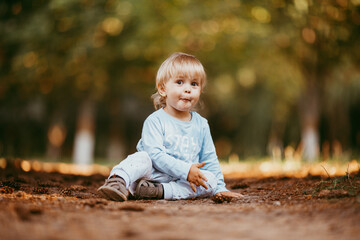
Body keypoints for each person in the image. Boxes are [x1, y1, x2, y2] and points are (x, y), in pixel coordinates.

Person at [98, 52, 243, 201]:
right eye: (180, 82)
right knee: (142, 157)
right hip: (153, 173)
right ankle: (118, 180)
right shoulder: (155, 121)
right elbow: (155, 155)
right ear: (162, 89)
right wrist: (185, 170)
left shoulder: (201, 124)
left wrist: (220, 188)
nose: (188, 89)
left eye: (194, 84)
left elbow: (209, 159)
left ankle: (158, 191)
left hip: (181, 181)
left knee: (210, 180)